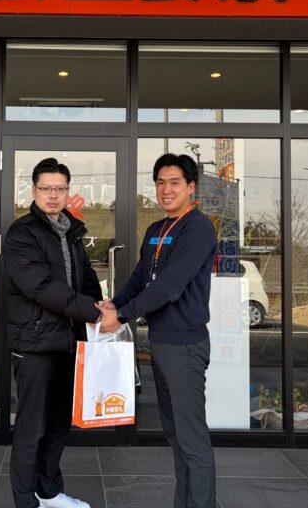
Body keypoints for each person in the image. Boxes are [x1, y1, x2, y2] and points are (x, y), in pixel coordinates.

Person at [98, 153, 217, 508]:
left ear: (191, 186)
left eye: (175, 182)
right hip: (161, 342)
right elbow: (141, 278)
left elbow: (169, 286)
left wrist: (122, 316)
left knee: (192, 440)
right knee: (176, 435)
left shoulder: (197, 229)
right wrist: (115, 304)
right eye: (161, 182)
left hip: (185, 346)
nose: (166, 189)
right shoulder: (155, 230)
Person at [4, 157, 102, 508]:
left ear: (67, 191)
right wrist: (93, 311)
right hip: (34, 344)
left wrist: (100, 305)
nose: (53, 194)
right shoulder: (21, 234)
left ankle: (48, 492)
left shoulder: (71, 231)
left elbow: (86, 278)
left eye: (59, 188)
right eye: (46, 188)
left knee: (59, 424)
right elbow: (42, 287)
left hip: (68, 342)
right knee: (31, 428)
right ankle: (25, 500)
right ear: (33, 191)